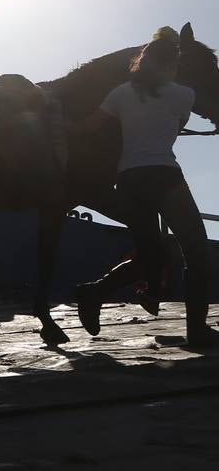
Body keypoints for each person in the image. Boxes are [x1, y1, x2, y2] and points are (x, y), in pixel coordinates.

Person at [74, 28, 219, 347]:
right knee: (196, 253)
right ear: (173, 66)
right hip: (164, 177)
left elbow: (88, 129)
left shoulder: (120, 93)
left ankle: (97, 290)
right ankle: (197, 330)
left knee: (151, 253)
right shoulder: (184, 95)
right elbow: (174, 128)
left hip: (127, 181)